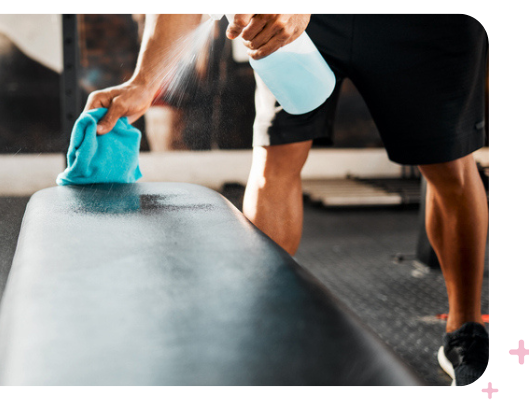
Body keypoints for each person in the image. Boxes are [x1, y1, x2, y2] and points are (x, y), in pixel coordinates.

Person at [84, 14, 488, 386]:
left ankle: (465, 327)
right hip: (303, 23)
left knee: (448, 164)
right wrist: (143, 81)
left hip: (426, 20)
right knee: (276, 156)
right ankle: (261, 323)